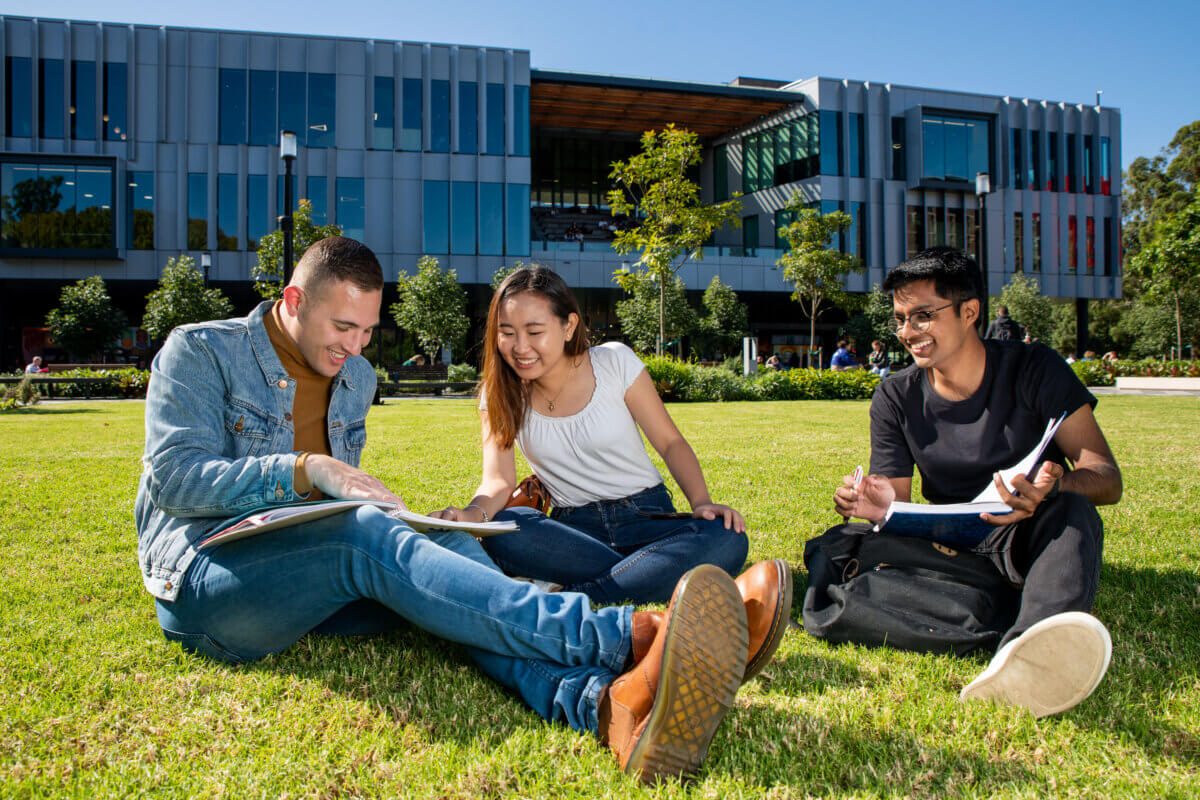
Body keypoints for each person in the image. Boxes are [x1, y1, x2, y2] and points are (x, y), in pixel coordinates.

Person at [134, 237, 789, 783]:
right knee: (369, 534)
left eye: (368, 330)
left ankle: (609, 708)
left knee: (454, 569)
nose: (357, 348)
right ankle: (631, 636)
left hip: (315, 588)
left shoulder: (355, 377)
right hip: (210, 585)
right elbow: (175, 480)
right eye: (343, 328)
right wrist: (308, 469)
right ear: (294, 301)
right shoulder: (200, 350)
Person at [830, 247, 1122, 718]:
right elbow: (898, 501)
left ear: (969, 312)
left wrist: (1055, 488)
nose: (908, 333)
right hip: (951, 545)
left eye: (923, 316)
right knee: (846, 541)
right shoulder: (895, 395)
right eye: (900, 320)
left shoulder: (1035, 369)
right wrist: (873, 502)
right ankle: (1002, 608)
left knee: (1073, 515)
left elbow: (1107, 478)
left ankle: (1028, 648)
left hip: (1030, 533)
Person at [433, 266, 767, 610]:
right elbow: (498, 481)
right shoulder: (500, 392)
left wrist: (701, 503)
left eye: (534, 332)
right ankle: (649, 575)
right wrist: (471, 514)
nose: (520, 347)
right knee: (508, 526)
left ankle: (575, 595)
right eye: (507, 333)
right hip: (574, 533)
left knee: (727, 538)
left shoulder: (614, 362)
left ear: (568, 326)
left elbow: (670, 442)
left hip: (647, 519)